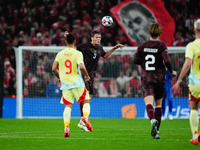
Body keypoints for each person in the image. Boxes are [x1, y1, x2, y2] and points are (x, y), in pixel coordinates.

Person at [65, 30, 124, 131]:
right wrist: (68, 38)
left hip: (91, 76)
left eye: (100, 37)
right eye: (96, 37)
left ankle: (83, 120)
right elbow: (73, 48)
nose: (98, 39)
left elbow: (104, 55)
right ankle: (83, 120)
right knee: (86, 97)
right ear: (91, 38)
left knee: (88, 98)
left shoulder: (99, 48)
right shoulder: (84, 47)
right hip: (83, 75)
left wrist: (114, 48)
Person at [133, 23, 177, 139]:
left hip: (146, 78)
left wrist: (144, 63)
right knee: (158, 105)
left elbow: (135, 60)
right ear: (159, 33)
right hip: (159, 79)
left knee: (149, 103)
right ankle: (156, 131)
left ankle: (152, 120)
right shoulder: (161, 46)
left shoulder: (142, 46)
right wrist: (171, 71)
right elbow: (167, 61)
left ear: (150, 32)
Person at [52, 33, 92, 138]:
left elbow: (53, 68)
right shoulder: (78, 53)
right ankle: (85, 118)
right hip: (77, 83)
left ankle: (66, 128)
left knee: (68, 106)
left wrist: (60, 77)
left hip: (65, 84)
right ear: (75, 42)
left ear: (65, 42)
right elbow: (82, 67)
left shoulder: (60, 54)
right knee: (86, 101)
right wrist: (87, 75)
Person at [173, 19, 200, 145]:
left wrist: (179, 80)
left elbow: (188, 63)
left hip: (195, 82)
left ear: (194, 30)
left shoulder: (191, 46)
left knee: (194, 108)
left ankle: (195, 136)